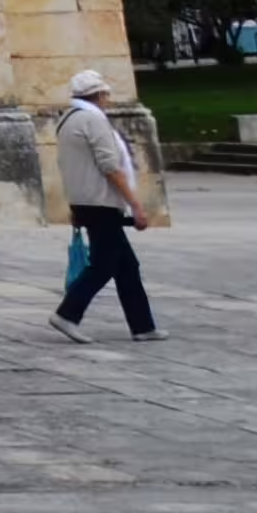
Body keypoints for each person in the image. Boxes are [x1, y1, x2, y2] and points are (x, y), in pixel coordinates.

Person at [55, 67, 161, 341]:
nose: (107, 100)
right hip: (101, 202)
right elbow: (110, 166)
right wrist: (135, 204)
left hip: (84, 200)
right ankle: (67, 314)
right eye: (105, 94)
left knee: (127, 265)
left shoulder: (68, 120)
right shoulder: (94, 121)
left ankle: (143, 326)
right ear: (99, 94)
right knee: (103, 265)